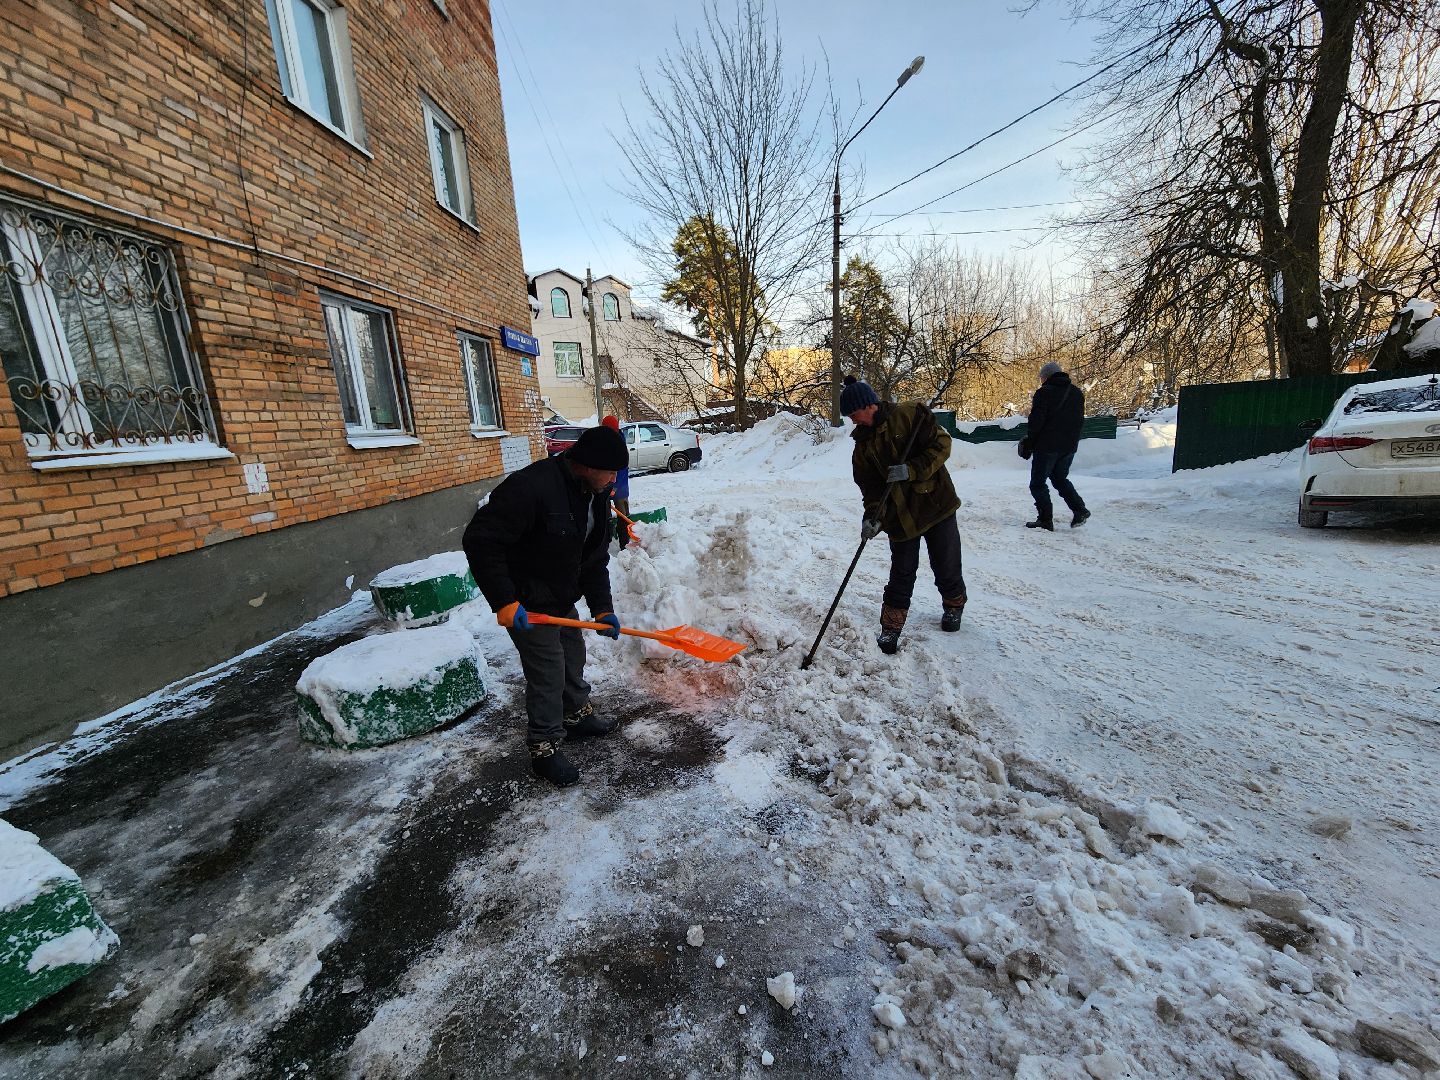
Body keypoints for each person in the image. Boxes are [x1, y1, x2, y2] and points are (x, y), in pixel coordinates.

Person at [462, 424, 629, 787]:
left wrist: (602, 608)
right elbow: (480, 540)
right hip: (526, 602)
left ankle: (576, 715)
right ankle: (544, 747)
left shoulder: (595, 494)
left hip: (557, 597)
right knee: (548, 671)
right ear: (586, 464)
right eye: (611, 470)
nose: (615, 478)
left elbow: (593, 557)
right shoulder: (532, 487)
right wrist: (505, 601)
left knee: (572, 655)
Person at [843, 375, 968, 656]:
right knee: (901, 572)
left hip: (935, 504)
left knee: (946, 563)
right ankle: (891, 626)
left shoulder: (910, 415)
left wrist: (912, 469)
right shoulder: (861, 449)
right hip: (900, 516)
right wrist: (872, 517)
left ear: (869, 405)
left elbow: (942, 445)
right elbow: (871, 490)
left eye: (853, 414)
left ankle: (954, 604)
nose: (852, 421)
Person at [1024, 361, 1091, 531]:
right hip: (1069, 446)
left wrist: (1029, 443)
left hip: (1047, 446)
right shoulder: (1076, 393)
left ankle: (1045, 519)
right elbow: (1079, 421)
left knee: (1038, 484)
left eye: (1041, 377)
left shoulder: (1044, 393)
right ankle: (1080, 509)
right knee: (1060, 479)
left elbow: (1036, 422)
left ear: (1046, 377)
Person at [601, 415, 631, 547]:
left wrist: (615, 487)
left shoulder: (619, 444)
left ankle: (624, 544)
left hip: (619, 486)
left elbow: (622, 469)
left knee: (623, 517)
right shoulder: (606, 440)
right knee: (603, 515)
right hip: (605, 485)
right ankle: (605, 543)